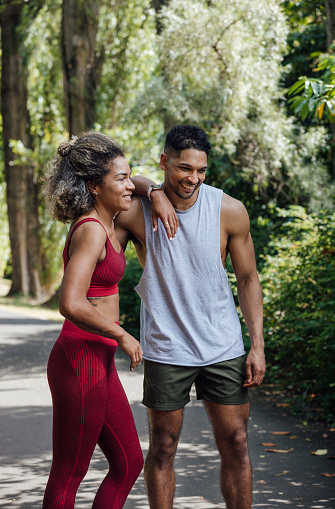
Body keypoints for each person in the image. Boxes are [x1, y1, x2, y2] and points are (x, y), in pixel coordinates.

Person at [114, 124, 266, 509]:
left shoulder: (228, 210)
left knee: (236, 441)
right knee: (163, 447)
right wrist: (152, 192)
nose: (192, 179)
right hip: (167, 347)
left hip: (223, 344)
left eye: (200, 170)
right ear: (165, 162)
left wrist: (257, 346)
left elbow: (248, 279)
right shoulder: (136, 211)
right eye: (183, 168)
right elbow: (109, 181)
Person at [42, 132, 144, 509]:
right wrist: (122, 334)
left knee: (130, 462)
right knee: (69, 473)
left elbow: (145, 184)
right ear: (93, 186)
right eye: (120, 178)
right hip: (79, 358)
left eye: (128, 175)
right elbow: (70, 302)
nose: (130, 184)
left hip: (98, 361)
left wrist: (154, 191)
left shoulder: (110, 224)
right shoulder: (90, 230)